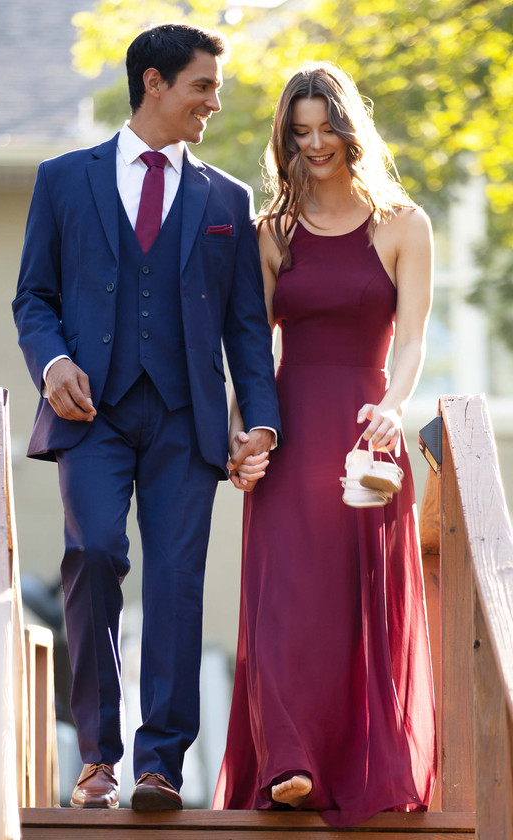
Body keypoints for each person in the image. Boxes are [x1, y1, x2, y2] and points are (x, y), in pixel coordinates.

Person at [13, 23, 281, 811]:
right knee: (93, 554)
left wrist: (258, 419)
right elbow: (36, 297)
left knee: (176, 583)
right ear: (156, 83)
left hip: (184, 418)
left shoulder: (227, 198)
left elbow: (245, 330)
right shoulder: (65, 179)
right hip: (89, 413)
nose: (215, 101)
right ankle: (97, 758)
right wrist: (54, 363)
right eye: (203, 84)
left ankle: (159, 762)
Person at [213, 62, 436, 827]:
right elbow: (251, 349)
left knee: (360, 605)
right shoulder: (271, 234)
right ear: (285, 138)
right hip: (294, 424)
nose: (314, 145)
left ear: (350, 129)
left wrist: (394, 406)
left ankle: (359, 762)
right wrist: (245, 428)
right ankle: (289, 761)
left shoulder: (406, 224)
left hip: (366, 436)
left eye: (325, 130)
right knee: (287, 601)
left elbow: (411, 344)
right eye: (298, 133)